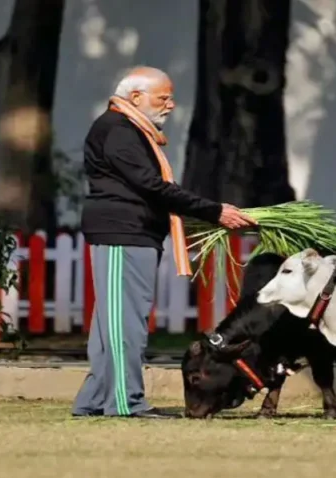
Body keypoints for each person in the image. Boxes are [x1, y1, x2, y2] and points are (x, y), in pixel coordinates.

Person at [72, 66, 256, 419]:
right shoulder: (118, 130)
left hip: (134, 233)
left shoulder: (130, 130)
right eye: (163, 97)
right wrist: (214, 211)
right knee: (124, 324)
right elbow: (151, 186)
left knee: (112, 325)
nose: (171, 104)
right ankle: (126, 404)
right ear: (135, 97)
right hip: (121, 233)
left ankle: (93, 401)